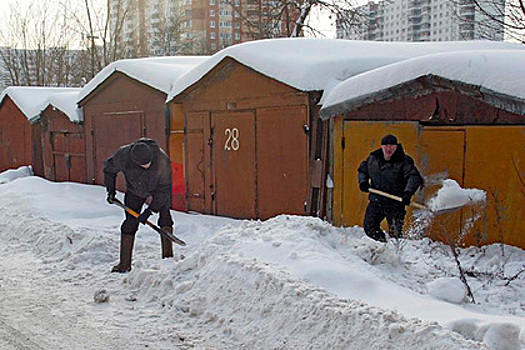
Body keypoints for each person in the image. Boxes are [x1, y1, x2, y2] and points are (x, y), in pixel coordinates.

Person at [104, 138, 174, 273]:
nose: (147, 166)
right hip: (134, 190)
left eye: (149, 163)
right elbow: (109, 169)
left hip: (158, 190)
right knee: (129, 223)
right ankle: (124, 264)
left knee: (165, 218)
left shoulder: (162, 160)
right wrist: (111, 191)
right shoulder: (123, 156)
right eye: (143, 164)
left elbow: (164, 190)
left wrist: (149, 212)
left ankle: (168, 259)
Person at [357, 134, 423, 242]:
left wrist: (408, 193)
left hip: (395, 202)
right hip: (376, 200)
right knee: (369, 227)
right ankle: (383, 245)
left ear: (396, 147)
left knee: (395, 232)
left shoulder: (404, 161)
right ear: (381, 146)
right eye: (386, 145)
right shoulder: (373, 159)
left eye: (392, 146)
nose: (389, 148)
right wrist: (363, 182)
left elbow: (414, 177)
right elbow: (362, 171)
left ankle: (396, 253)